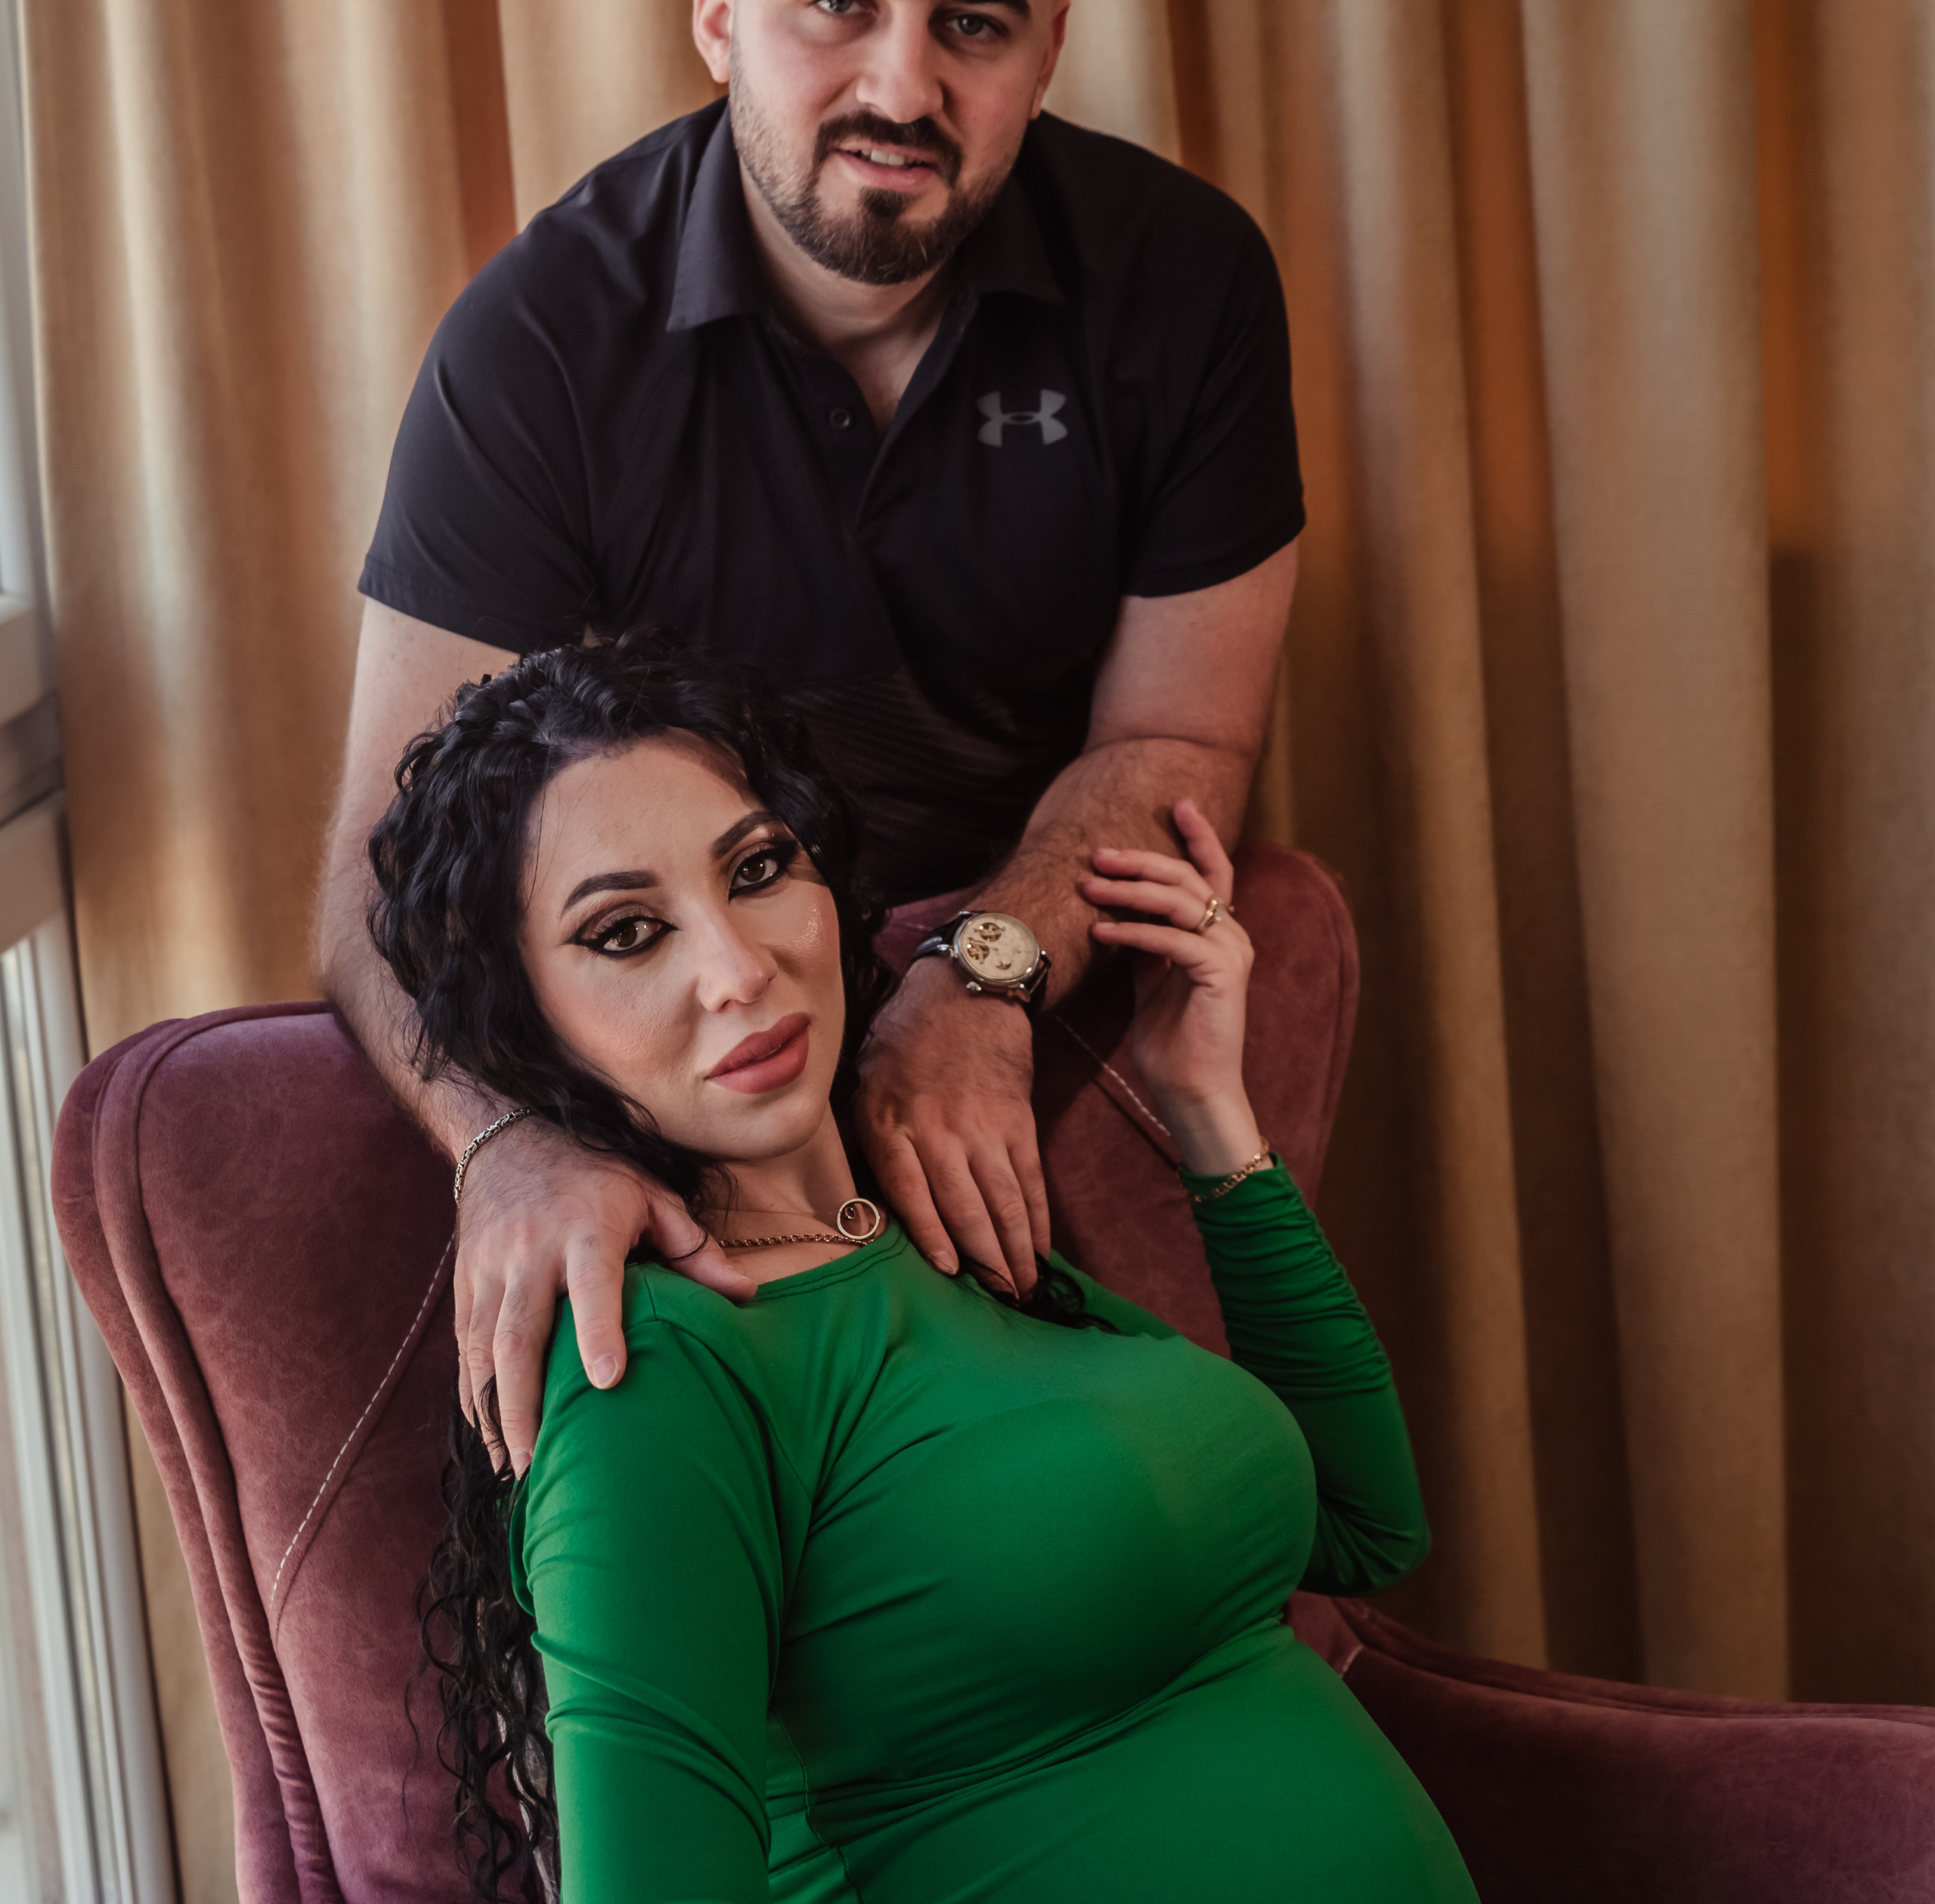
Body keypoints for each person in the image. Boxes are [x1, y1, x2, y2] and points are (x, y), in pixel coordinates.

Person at [316, 0, 1305, 1476]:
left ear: (1049, 46)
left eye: (973, 21)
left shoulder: (1184, 276)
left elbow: (1177, 740)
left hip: (1030, 987)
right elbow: (381, 878)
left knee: (1185, 1493)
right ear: (716, 11)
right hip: (698, 1042)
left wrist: (979, 979)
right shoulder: (539, 342)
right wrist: (511, 1139)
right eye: (839, 2)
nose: (902, 91)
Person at [377, 635, 1473, 1904]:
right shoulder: (655, 1361)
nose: (739, 971)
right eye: (626, 933)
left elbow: (1365, 1526)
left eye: (757, 869)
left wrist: (1206, 1109)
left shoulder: (933, 1223)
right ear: (523, 1021)